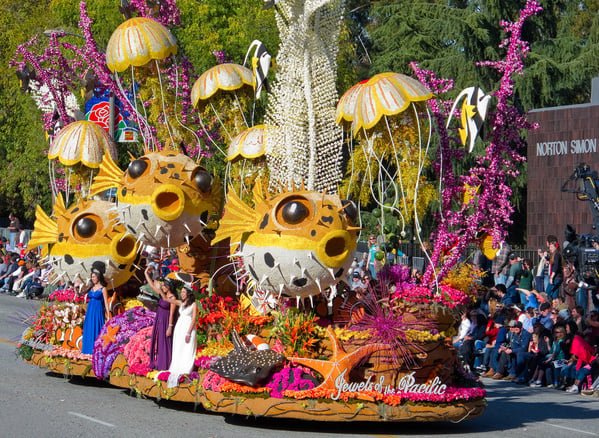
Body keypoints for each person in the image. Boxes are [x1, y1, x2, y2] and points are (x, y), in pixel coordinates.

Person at [144, 266, 178, 370]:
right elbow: (151, 285)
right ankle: (159, 362)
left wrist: (170, 327)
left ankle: (166, 364)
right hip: (160, 318)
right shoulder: (162, 294)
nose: (162, 287)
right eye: (162, 286)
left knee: (166, 342)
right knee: (159, 341)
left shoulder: (173, 298)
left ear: (169, 287)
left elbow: (172, 314)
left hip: (167, 321)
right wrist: (146, 273)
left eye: (164, 286)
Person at [167, 284, 198, 387]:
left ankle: (186, 369)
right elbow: (167, 299)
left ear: (188, 293)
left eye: (184, 292)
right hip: (179, 328)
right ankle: (176, 366)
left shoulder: (194, 305)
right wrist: (161, 290)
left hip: (188, 329)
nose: (182, 294)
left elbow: (194, 319)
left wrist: (189, 332)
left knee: (188, 348)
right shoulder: (182, 303)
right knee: (179, 348)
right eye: (181, 292)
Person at [80, 269, 110, 355]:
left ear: (98, 277)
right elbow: (80, 294)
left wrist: (108, 315)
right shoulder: (91, 288)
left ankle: (96, 349)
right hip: (90, 310)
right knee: (89, 327)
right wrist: (75, 287)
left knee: (97, 327)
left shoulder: (103, 289)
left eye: (94, 277)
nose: (92, 278)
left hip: (98, 311)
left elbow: (106, 302)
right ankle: (87, 349)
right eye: (92, 277)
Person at [546, 235, 563, 300]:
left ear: (555, 247)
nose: (550, 248)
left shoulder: (556, 255)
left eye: (551, 247)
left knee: (548, 293)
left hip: (556, 277)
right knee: (555, 293)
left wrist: (551, 277)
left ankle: (549, 304)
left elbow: (555, 266)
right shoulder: (556, 255)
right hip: (558, 277)